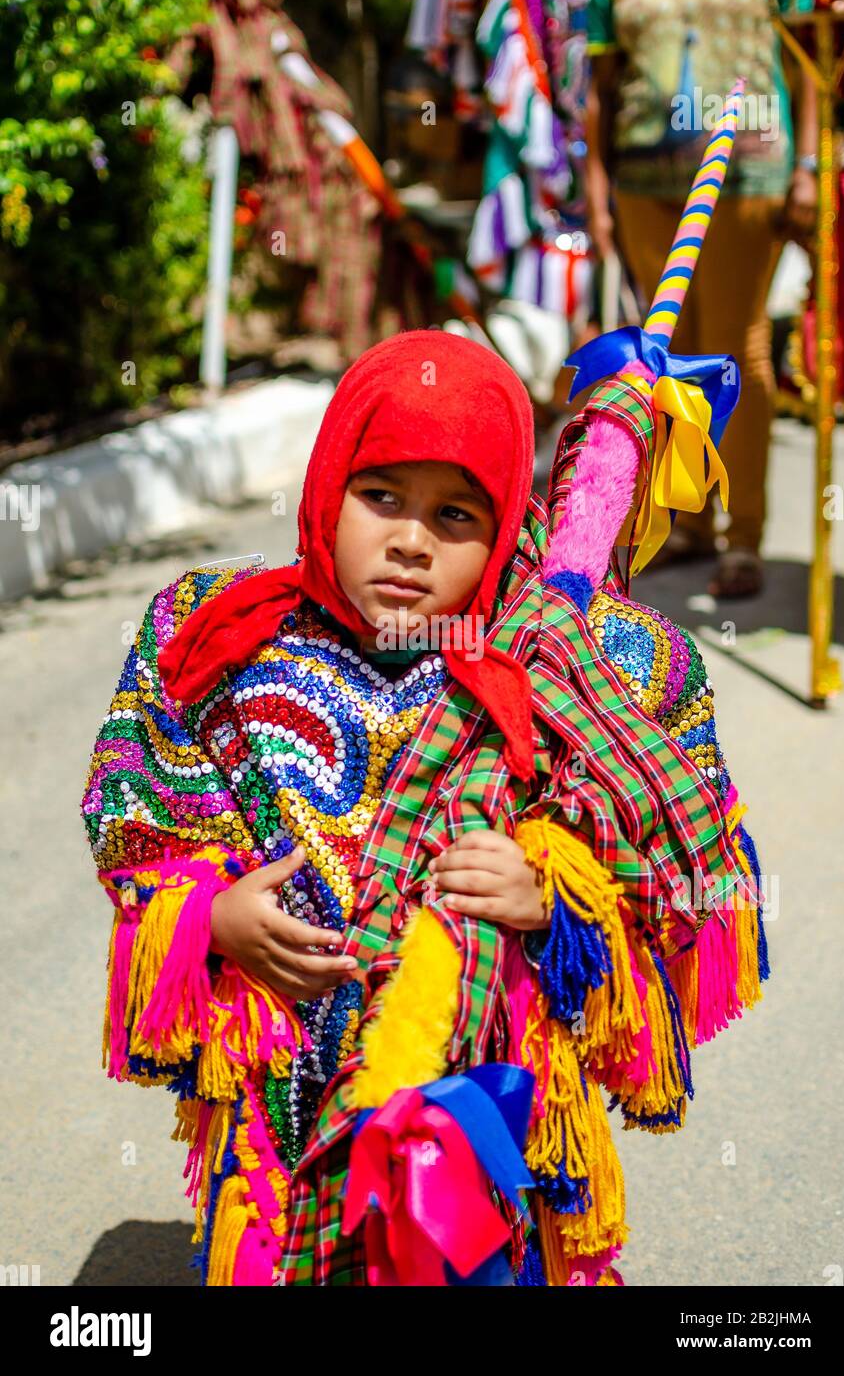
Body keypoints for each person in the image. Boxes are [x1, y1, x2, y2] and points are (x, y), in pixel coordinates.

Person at [81, 330, 769, 1287]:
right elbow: (140, 810)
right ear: (327, 489)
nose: (410, 539)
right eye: (380, 497)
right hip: (281, 1093)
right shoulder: (218, 640)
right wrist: (210, 915)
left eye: (455, 513)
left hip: (486, 1108)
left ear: (503, 530)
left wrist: (558, 894)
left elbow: (689, 865)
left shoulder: (579, 668)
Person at [584, 0, 818, 597]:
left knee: (736, 348)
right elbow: (602, 89)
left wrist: (809, 167)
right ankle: (686, 524)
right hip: (643, 180)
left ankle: (744, 536)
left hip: (747, 173)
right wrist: (598, 191)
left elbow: (806, 62)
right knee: (669, 356)